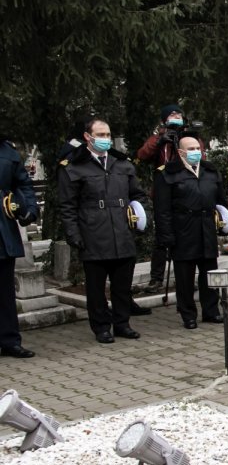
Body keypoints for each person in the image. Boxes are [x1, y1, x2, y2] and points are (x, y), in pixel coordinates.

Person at [59, 119, 149, 343]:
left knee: (122, 286)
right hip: (93, 234)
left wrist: (141, 218)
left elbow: (138, 196)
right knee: (96, 289)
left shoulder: (122, 164)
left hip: (122, 232)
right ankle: (101, 327)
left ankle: (122, 324)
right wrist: (74, 235)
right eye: (101, 134)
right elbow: (67, 206)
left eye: (108, 134)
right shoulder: (74, 166)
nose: (106, 139)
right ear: (87, 137)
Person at [152, 134, 228, 329]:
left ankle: (211, 311)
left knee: (209, 273)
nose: (196, 152)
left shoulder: (210, 171)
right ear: (180, 152)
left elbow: (222, 202)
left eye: (198, 149)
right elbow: (162, 210)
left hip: (207, 228)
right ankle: (188, 314)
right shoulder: (167, 174)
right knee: (185, 277)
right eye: (191, 149)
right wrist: (166, 237)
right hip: (183, 230)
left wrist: (225, 221)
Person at [137, 104, 188, 294]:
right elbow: (142, 155)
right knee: (162, 237)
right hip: (163, 192)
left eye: (179, 114)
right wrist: (160, 141)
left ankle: (188, 275)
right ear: (164, 119)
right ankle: (156, 278)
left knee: (186, 234)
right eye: (172, 115)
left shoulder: (188, 136)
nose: (176, 117)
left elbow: (198, 155)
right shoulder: (158, 137)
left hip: (186, 191)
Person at [0, 132, 38, 358]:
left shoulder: (8, 151)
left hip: (2, 231)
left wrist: (30, 209)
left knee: (5, 292)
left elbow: (23, 184)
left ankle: (9, 340)